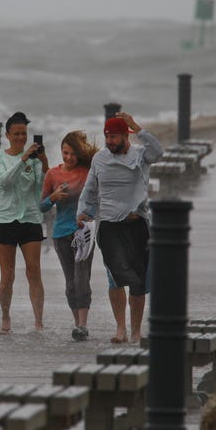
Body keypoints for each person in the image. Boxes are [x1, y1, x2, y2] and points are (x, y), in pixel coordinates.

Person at [77, 112, 163, 343]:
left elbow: (159, 152)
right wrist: (83, 212)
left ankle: (136, 331)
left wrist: (137, 127)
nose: (110, 142)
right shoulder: (100, 159)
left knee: (138, 280)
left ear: (126, 136)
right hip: (109, 225)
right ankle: (120, 329)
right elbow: (90, 189)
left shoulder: (140, 155)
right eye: (107, 138)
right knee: (115, 278)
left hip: (137, 224)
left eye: (114, 137)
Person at [0, 111, 49, 334]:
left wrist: (43, 164)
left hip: (30, 218)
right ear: (7, 135)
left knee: (34, 271)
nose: (20, 138)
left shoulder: (32, 159)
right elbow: (4, 182)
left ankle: (38, 321)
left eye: (23, 134)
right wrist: (22, 158)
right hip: (4, 219)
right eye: (16, 134)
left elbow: (38, 190)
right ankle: (6, 316)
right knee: (8, 274)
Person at [40, 131, 99, 341]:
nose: (68, 157)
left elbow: (98, 195)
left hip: (83, 232)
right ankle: (77, 323)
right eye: (65, 153)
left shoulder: (88, 171)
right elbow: (41, 206)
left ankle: (83, 325)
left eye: (73, 154)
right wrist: (53, 198)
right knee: (70, 282)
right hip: (61, 234)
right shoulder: (52, 175)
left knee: (82, 278)